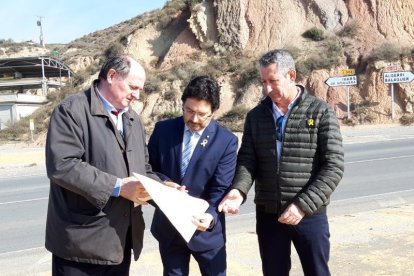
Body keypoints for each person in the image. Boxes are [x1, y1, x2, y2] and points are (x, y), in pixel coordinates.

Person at [219, 49, 344, 276]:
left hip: (309, 214)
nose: (267, 89)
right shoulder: (256, 116)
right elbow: (247, 160)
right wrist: (238, 190)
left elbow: (333, 166)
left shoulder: (321, 112)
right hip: (268, 215)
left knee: (317, 271)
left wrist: (302, 205)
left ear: (292, 76)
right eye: (263, 81)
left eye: (273, 81)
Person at [45, 55, 157, 275]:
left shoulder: (133, 120)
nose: (137, 95)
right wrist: (118, 186)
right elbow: (63, 165)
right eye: (133, 87)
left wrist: (164, 189)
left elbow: (142, 170)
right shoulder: (71, 111)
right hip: (80, 246)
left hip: (119, 240)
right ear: (112, 76)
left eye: (140, 89)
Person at [147, 76, 238, 276]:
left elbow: (221, 188)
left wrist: (211, 216)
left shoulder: (226, 141)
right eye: (189, 111)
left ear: (213, 111)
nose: (194, 119)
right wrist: (164, 185)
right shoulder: (163, 130)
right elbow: (148, 169)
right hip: (170, 230)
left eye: (202, 114)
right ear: (183, 104)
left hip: (205, 231)